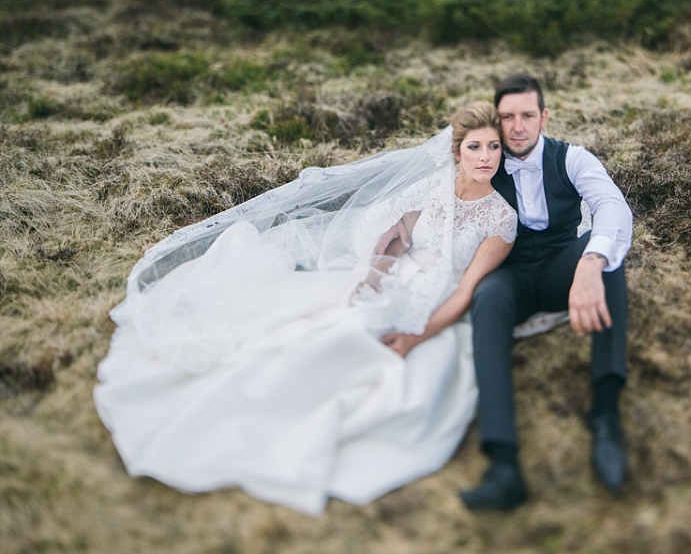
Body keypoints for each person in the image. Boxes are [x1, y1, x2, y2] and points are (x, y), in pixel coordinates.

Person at [93, 102, 517, 515]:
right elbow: (395, 235)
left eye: (494, 147)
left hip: (433, 299)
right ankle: (251, 398)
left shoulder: (500, 218)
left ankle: (292, 417)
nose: (485, 157)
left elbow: (464, 294)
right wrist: (372, 276)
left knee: (349, 341)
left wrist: (414, 337)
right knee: (314, 321)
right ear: (457, 150)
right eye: (475, 147)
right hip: (390, 280)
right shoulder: (433, 186)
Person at [458, 74, 633, 511]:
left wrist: (590, 264)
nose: (517, 126)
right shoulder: (485, 159)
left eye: (527, 116)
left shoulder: (572, 158)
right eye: (507, 117)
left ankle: (606, 416)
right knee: (488, 296)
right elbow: (438, 204)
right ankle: (503, 464)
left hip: (559, 265)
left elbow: (612, 206)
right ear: (497, 121)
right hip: (509, 272)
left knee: (606, 255)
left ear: (544, 117)